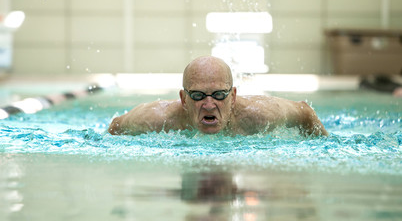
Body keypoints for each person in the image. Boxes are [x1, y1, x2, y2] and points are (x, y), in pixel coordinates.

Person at [108, 56, 328, 137]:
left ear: (233, 97)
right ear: (184, 100)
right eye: (197, 95)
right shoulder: (157, 119)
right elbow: (116, 126)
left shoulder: (259, 115)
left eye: (219, 95)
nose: (209, 105)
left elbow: (305, 112)